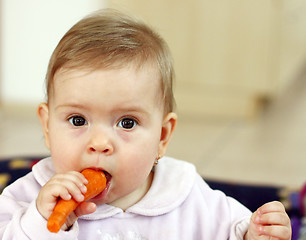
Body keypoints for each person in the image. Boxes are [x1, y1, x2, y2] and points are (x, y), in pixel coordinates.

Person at [0, 8, 291, 240]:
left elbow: (232, 228)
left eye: (127, 122)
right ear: (48, 126)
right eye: (78, 120)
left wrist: (255, 233)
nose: (100, 143)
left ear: (162, 137)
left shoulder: (185, 193)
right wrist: (40, 223)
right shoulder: (28, 198)